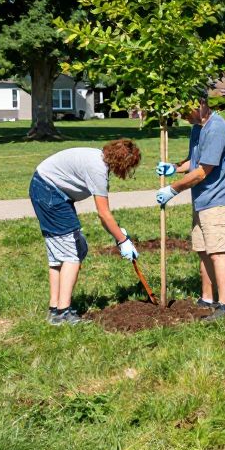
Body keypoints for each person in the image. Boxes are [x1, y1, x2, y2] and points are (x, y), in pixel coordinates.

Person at [29, 139, 142, 325]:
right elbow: (104, 214)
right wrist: (123, 241)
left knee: (61, 255)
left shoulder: (97, 157)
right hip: (50, 194)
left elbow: (106, 219)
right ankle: (63, 313)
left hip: (45, 190)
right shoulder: (97, 169)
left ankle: (55, 310)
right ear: (122, 163)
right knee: (71, 254)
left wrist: (118, 233)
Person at [156, 96, 225, 321]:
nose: (183, 116)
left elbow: (203, 171)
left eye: (186, 110)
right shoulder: (197, 129)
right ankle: (207, 299)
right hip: (201, 201)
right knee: (203, 250)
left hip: (217, 202)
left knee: (218, 252)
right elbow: (193, 163)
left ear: (200, 104)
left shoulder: (217, 129)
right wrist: (173, 167)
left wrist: (172, 190)